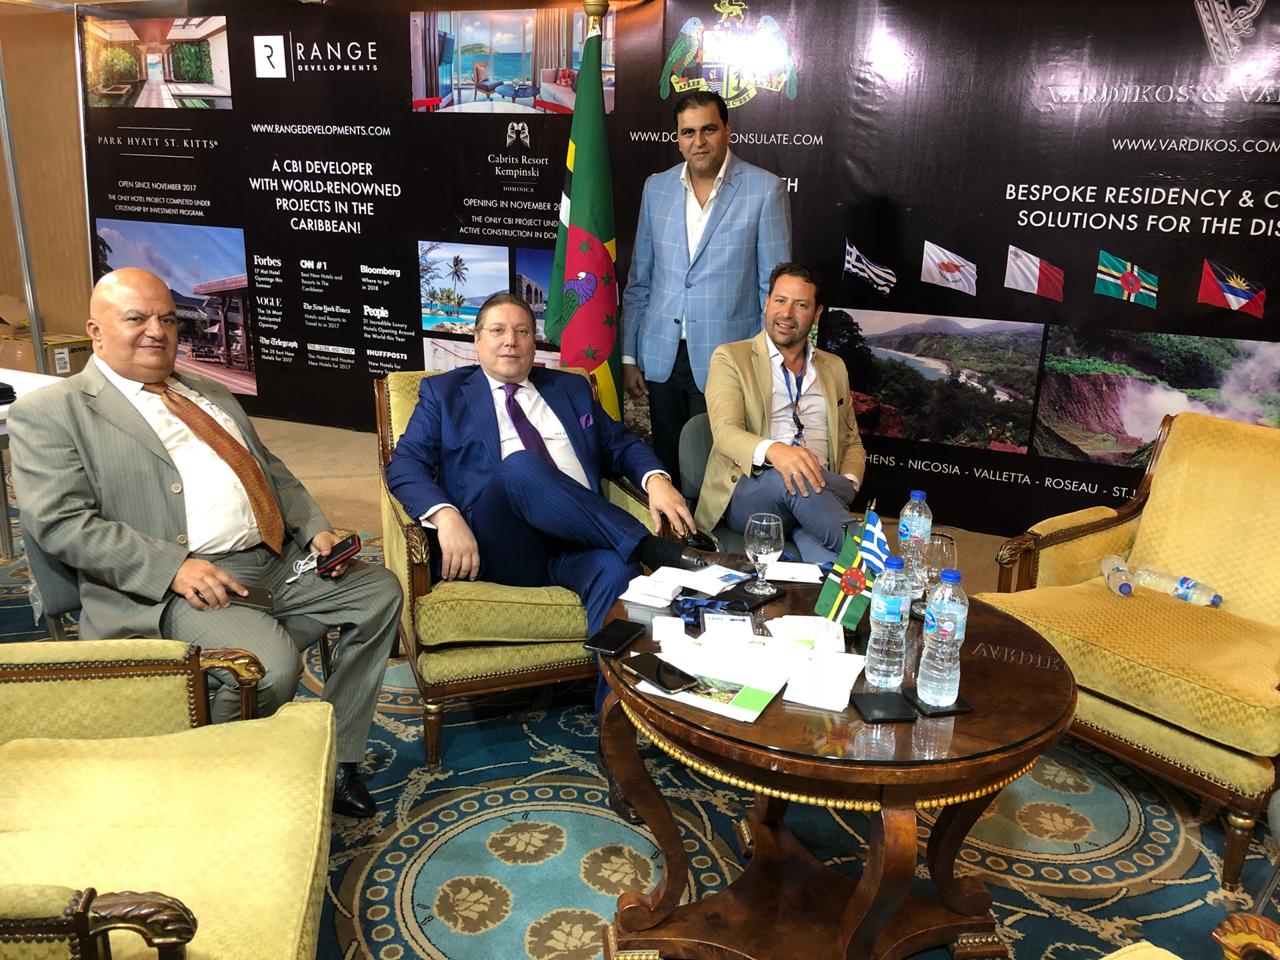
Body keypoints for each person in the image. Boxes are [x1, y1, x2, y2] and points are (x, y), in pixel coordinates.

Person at [8, 268, 402, 820]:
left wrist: (314, 527)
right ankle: (214, 782)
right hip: (178, 583)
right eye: (137, 318)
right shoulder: (52, 411)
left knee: (378, 592)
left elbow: (271, 470)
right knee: (267, 667)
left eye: (167, 319)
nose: (157, 331)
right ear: (95, 331)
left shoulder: (209, 391)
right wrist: (173, 567)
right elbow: (61, 521)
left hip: (275, 560)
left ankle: (336, 757)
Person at [385, 293, 720, 821]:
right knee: (520, 467)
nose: (511, 341)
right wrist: (445, 515)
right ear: (477, 340)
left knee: (616, 571)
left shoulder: (570, 388)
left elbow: (620, 445)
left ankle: (615, 744)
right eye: (498, 331)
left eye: (522, 331)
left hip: (577, 543)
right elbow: (403, 466)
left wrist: (656, 479)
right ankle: (656, 551)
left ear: (534, 342)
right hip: (501, 543)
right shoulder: (443, 394)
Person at [621, 90, 792, 489]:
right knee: (667, 468)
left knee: (717, 477)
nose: (698, 141)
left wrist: (768, 363)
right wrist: (629, 356)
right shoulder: (656, 188)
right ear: (678, 139)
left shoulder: (764, 190)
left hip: (727, 358)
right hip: (661, 356)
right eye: (688, 132)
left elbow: (774, 290)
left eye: (708, 129)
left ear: (728, 130)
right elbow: (640, 278)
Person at [696, 263, 867, 564]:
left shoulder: (834, 367)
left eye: (800, 305)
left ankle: (831, 577)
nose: (786, 313)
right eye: (780, 300)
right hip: (753, 490)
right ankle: (878, 562)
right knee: (793, 477)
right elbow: (725, 434)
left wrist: (849, 482)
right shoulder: (731, 358)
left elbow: (851, 441)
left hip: (817, 491)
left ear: (816, 314)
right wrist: (779, 453)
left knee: (818, 541)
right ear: (767, 303)